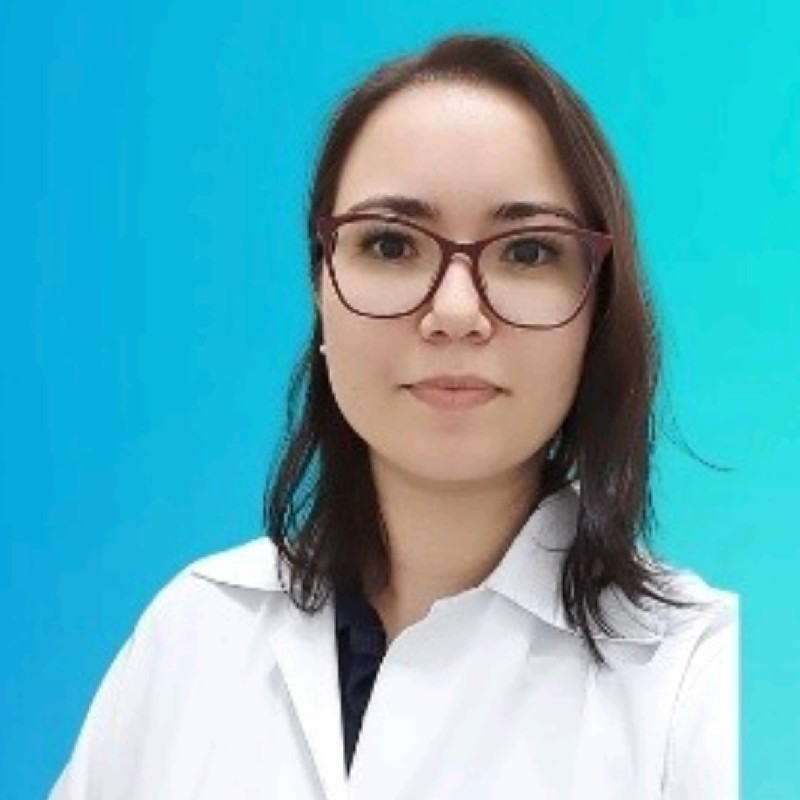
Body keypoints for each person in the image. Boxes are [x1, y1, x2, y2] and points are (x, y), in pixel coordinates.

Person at [49, 31, 739, 800]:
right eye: (389, 244)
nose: (455, 312)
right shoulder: (191, 636)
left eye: (527, 252)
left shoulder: (699, 681)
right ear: (320, 288)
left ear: (596, 310)